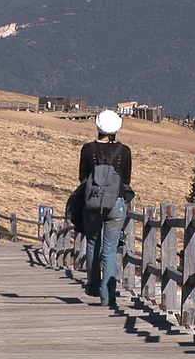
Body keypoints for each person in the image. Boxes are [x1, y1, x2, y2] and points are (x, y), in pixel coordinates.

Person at [79, 110, 133, 306]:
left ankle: (93, 285)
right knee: (110, 250)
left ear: (97, 126)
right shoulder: (124, 151)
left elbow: (83, 179)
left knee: (93, 242)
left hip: (92, 203)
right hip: (116, 203)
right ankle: (107, 296)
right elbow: (126, 180)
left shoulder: (87, 149)